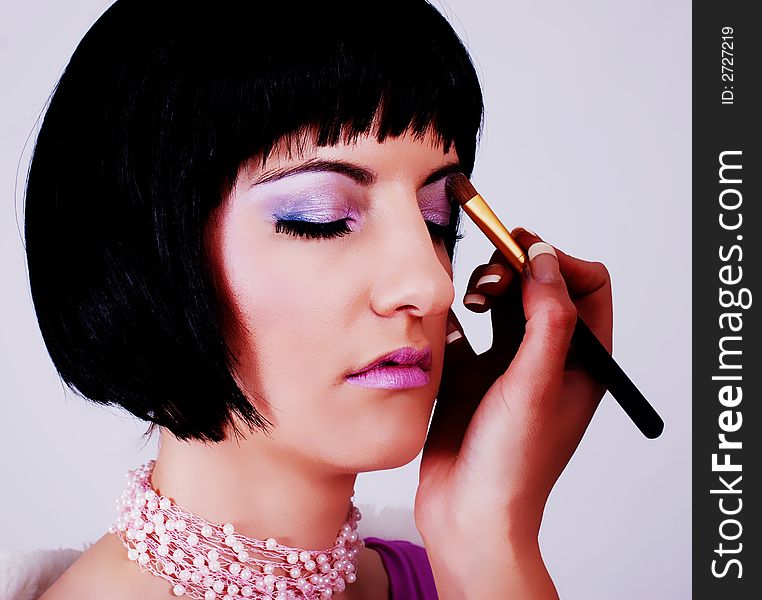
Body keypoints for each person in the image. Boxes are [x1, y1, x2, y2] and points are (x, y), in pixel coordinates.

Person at [24, 0, 612, 598]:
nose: (432, 288)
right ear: (142, 250)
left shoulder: (456, 577)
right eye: (322, 218)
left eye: (436, 219)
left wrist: (486, 535)